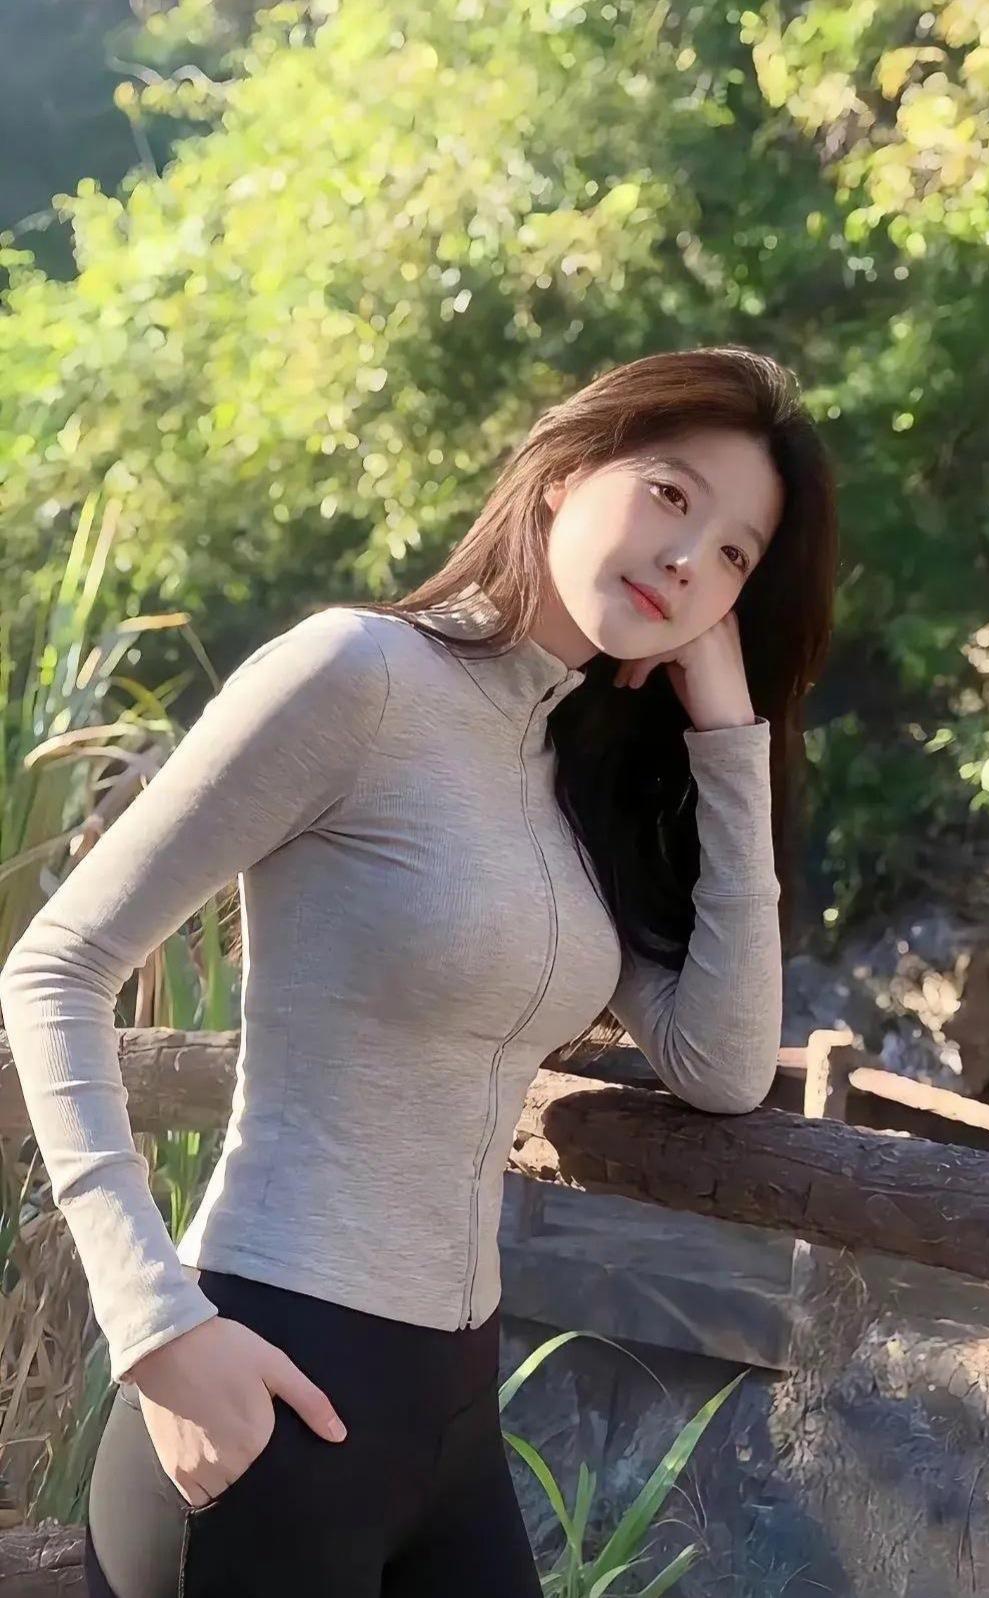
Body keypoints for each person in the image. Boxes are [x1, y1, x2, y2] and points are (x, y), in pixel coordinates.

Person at [0, 345, 838, 1596]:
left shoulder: (579, 772)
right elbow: (57, 966)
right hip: (262, 1383)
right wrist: (155, 1327)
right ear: (562, 472)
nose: (686, 558)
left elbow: (718, 1065)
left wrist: (727, 735)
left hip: (451, 1412)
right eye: (670, 493)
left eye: (733, 554)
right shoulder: (357, 676)